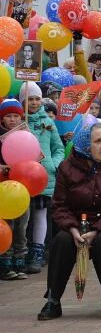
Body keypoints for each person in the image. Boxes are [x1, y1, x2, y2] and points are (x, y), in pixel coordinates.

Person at [37, 122, 101, 321]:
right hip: (77, 226)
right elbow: (60, 205)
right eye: (98, 141)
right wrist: (73, 229)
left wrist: (96, 231)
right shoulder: (67, 167)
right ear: (84, 145)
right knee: (61, 242)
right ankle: (53, 301)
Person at [21, 82, 65, 274]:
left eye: (37, 98)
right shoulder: (18, 122)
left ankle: (38, 252)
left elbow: (59, 148)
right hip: (21, 175)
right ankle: (20, 252)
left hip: (43, 175)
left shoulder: (48, 122)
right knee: (22, 218)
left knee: (39, 214)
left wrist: (53, 164)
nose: (34, 102)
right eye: (30, 99)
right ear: (23, 100)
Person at [0, 99, 31, 280]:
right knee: (7, 225)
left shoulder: (26, 136)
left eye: (16, 116)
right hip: (4, 190)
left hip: (22, 189)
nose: (12, 120)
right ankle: (6, 260)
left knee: (22, 225)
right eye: (8, 116)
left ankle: (20, 259)